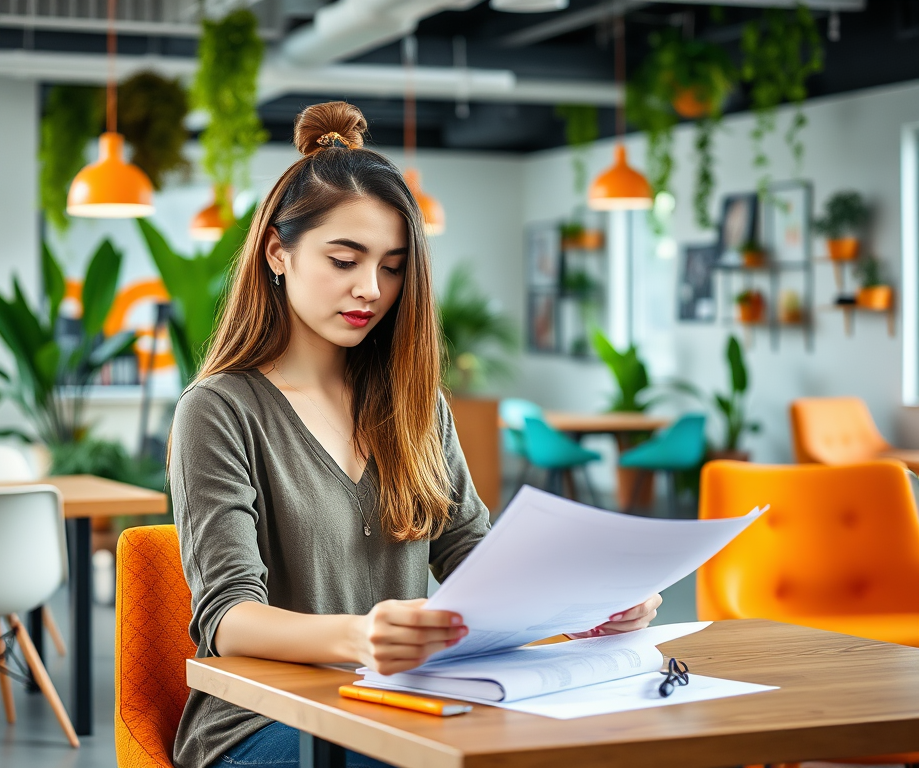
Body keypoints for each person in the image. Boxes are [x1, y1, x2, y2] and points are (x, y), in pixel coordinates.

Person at [169, 101, 662, 768]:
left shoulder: (414, 404)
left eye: (393, 266)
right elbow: (226, 619)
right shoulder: (220, 410)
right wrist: (359, 637)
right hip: (263, 723)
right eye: (344, 259)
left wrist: (586, 605)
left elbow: (468, 552)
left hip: (407, 705)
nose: (370, 288)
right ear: (278, 253)